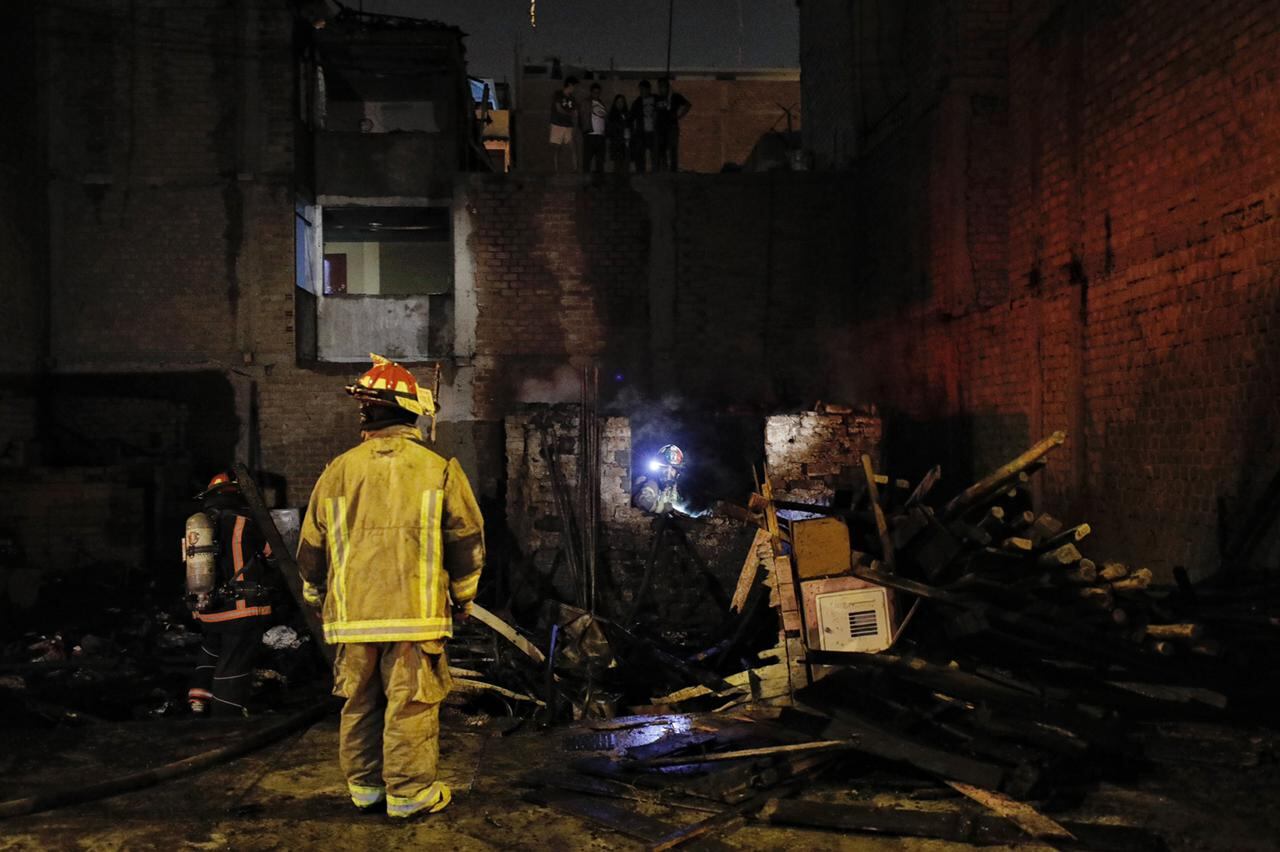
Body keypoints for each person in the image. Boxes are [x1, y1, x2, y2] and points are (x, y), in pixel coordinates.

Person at [297, 354, 485, 820]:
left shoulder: (335, 471)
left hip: (352, 618)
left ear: (367, 414)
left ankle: (364, 789)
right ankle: (408, 794)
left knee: (359, 703)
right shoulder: (438, 469)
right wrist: (464, 597)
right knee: (410, 705)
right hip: (414, 617)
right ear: (411, 412)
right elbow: (467, 540)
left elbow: (310, 548)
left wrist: (317, 597)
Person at [186, 472, 276, 717]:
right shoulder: (247, 520)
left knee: (211, 650)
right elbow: (273, 555)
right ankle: (226, 721)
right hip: (242, 609)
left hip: (208, 609)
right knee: (233, 664)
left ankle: (197, 704)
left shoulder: (199, 524)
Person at [655, 77, 692, 171]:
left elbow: (688, 105)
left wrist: (679, 116)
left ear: (667, 87)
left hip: (672, 127)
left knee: (672, 149)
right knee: (662, 149)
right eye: (659, 87)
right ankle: (664, 170)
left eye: (663, 86)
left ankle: (673, 171)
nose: (661, 89)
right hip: (661, 128)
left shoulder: (675, 97)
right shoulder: (657, 98)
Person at [549, 76, 579, 172]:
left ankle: (575, 169)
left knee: (573, 147)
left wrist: (575, 120)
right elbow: (559, 109)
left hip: (568, 125)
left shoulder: (572, 98)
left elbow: (575, 112)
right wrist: (570, 113)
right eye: (574, 86)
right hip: (557, 124)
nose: (575, 88)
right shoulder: (558, 94)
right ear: (570, 85)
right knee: (557, 148)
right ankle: (556, 170)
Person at [629, 79, 658, 173]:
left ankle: (655, 174)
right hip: (641, 133)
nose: (641, 92)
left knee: (655, 154)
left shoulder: (657, 99)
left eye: (643, 89)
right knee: (640, 154)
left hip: (654, 132)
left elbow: (664, 111)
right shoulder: (637, 102)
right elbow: (631, 117)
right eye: (640, 90)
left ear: (648, 89)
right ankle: (640, 174)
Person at [582, 82, 608, 174]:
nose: (596, 94)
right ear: (591, 92)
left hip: (600, 136)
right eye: (594, 92)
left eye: (598, 92)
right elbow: (581, 117)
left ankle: (599, 183)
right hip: (590, 135)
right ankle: (585, 183)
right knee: (587, 160)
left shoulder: (601, 103)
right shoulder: (586, 102)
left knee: (600, 161)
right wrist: (584, 131)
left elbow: (603, 118)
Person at [606, 94, 631, 173]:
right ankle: (617, 183)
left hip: (625, 144)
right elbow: (609, 130)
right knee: (617, 165)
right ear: (615, 103)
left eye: (622, 102)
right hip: (616, 144)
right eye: (618, 102)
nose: (620, 104)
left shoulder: (627, 114)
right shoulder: (611, 115)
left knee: (626, 165)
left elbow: (630, 127)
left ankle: (625, 183)